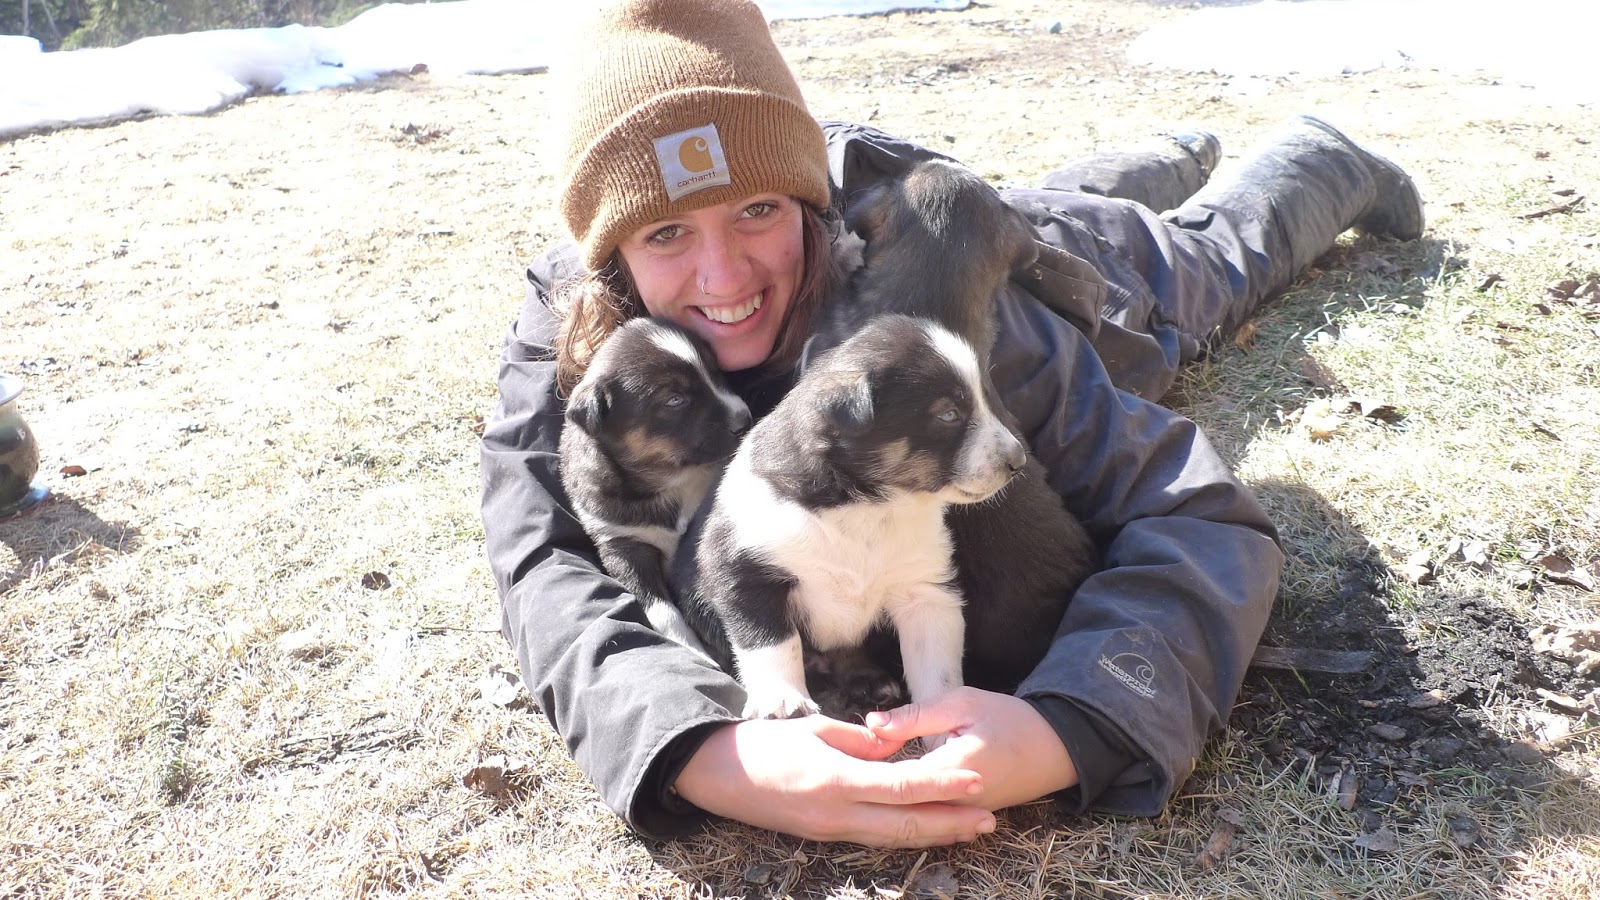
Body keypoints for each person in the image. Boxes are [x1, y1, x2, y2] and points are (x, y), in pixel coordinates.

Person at [479, 0, 1423, 849]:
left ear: (810, 209)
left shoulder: (932, 316)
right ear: (609, 254)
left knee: (1203, 258)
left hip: (1083, 278)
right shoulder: (581, 332)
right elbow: (541, 559)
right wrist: (696, 748)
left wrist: (1070, 723)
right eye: (668, 234)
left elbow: (1197, 515)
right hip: (942, 190)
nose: (723, 279)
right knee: (1076, 187)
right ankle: (1177, 145)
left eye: (759, 210)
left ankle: (1319, 155)